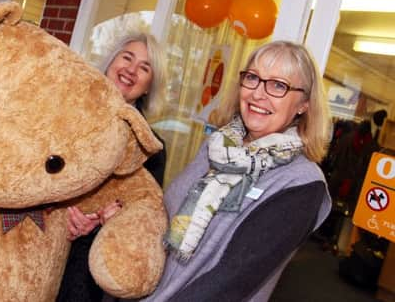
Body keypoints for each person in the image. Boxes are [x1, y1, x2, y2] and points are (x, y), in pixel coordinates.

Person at [141, 40, 332, 302]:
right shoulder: (217, 146)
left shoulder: (303, 184)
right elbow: (165, 216)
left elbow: (231, 279)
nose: (258, 94)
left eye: (278, 85)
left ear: (304, 105)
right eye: (253, 78)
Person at [56, 32, 167, 302]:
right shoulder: (66, 111)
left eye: (144, 68)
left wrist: (108, 217)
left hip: (86, 264)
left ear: (148, 86)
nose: (131, 70)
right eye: (127, 57)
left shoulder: (150, 148)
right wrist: (62, 210)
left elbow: (144, 209)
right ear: (110, 61)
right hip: (38, 237)